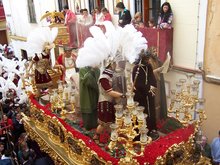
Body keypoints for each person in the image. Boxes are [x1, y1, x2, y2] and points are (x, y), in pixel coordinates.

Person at [94, 60, 125, 143]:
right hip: (104, 102)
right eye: (115, 63)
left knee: (110, 122)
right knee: (103, 123)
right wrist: (122, 95)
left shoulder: (109, 75)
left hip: (108, 102)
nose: (116, 65)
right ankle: (96, 136)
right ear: (111, 64)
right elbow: (110, 92)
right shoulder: (104, 78)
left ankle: (111, 138)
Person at [132, 49, 159, 140]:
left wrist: (152, 87)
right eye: (147, 59)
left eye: (148, 59)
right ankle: (139, 133)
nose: (148, 60)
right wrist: (147, 88)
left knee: (151, 112)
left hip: (149, 94)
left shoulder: (149, 67)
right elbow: (137, 84)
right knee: (141, 114)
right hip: (140, 96)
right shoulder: (137, 68)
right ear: (142, 58)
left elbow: (152, 78)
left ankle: (151, 130)